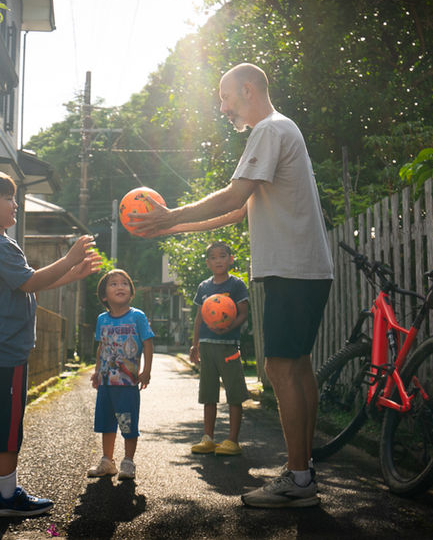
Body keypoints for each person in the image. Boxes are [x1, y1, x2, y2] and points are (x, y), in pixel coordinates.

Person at [131, 63, 334, 508]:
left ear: (247, 90)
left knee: (280, 369)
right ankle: (303, 472)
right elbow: (237, 211)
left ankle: (299, 480)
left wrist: (170, 214)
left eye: (224, 97)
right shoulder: (283, 131)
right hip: (307, 270)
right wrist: (173, 229)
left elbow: (231, 195)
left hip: (291, 270)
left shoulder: (268, 129)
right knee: (297, 368)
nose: (222, 107)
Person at [0, 168, 101, 517]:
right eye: (9, 198)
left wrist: (72, 273)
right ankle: (6, 495)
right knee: (6, 422)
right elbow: (29, 282)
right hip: (4, 348)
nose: (16, 204)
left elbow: (28, 284)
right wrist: (69, 258)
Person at [86, 269, 156, 480]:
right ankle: (107, 461)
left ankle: (128, 462)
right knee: (106, 423)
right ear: (104, 295)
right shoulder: (102, 319)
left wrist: (147, 370)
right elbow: (101, 347)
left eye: (124, 283)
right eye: (114, 284)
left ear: (131, 292)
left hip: (127, 383)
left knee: (128, 423)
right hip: (106, 383)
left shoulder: (137, 316)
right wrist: (97, 370)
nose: (120, 287)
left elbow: (148, 343)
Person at [189, 241, 250, 457]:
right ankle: (208, 438)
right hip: (207, 346)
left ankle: (232, 440)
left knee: (234, 392)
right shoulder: (204, 287)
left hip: (228, 346)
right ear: (208, 263)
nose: (218, 260)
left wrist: (228, 327)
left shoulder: (236, 285)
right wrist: (195, 344)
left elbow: (243, 312)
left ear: (230, 259)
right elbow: (199, 318)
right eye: (213, 257)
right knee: (208, 393)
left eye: (222, 256)